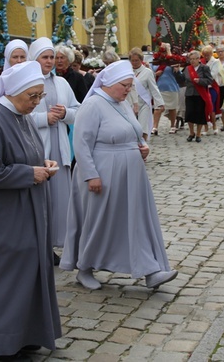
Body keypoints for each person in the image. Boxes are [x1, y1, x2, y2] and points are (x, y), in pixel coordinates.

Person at [0, 61, 62, 361]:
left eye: (39, 96)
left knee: (29, 269)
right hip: (1, 213)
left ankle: (27, 333)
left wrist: (44, 164)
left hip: (25, 207)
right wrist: (29, 174)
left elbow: (29, 153)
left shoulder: (23, 116)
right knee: (5, 275)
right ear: (15, 91)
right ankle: (2, 342)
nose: (36, 102)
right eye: (32, 96)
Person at [60, 60, 178, 290]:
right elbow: (81, 144)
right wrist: (90, 175)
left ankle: (150, 270)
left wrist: (143, 146)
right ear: (110, 83)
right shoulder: (93, 105)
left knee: (136, 221)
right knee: (98, 222)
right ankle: (84, 267)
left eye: (130, 86)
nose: (128, 90)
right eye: (124, 85)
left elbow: (133, 132)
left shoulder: (122, 104)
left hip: (130, 175)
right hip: (103, 173)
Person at [28, 37, 79, 252]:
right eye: (45, 57)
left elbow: (78, 110)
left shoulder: (62, 83)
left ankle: (55, 244)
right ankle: (39, 244)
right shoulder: (27, 84)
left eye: (52, 57)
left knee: (60, 202)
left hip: (59, 146)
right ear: (35, 59)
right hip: (37, 146)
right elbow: (16, 116)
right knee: (41, 201)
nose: (49, 61)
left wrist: (66, 113)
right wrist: (43, 118)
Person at [128, 47, 164, 139]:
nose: (134, 63)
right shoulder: (127, 71)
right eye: (132, 60)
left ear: (141, 60)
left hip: (144, 103)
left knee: (142, 128)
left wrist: (160, 103)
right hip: (130, 103)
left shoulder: (147, 72)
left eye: (137, 60)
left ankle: (143, 145)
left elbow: (154, 88)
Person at [151, 43, 183, 134]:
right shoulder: (156, 62)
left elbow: (179, 74)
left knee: (172, 108)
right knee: (158, 108)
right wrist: (156, 74)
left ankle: (173, 125)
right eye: (162, 50)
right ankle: (155, 127)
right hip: (158, 88)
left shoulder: (172, 61)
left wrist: (169, 51)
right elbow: (150, 74)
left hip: (171, 88)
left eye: (165, 50)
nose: (163, 53)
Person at [183, 50, 214, 142]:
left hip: (200, 94)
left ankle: (198, 133)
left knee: (200, 114)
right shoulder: (187, 69)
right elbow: (181, 80)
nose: (192, 61)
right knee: (189, 113)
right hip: (189, 94)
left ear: (198, 59)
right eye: (190, 59)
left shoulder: (204, 68)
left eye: (194, 59)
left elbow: (210, 80)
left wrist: (200, 81)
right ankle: (191, 132)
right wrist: (176, 72)